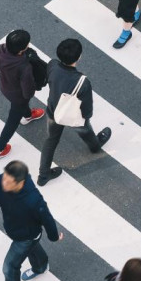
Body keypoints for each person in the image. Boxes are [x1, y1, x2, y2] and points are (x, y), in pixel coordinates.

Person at [38, 38, 111, 186]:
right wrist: (86, 117)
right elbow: (86, 106)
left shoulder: (52, 65)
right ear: (79, 57)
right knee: (86, 131)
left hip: (54, 111)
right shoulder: (82, 81)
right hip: (73, 116)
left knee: (51, 140)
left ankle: (43, 175)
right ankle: (95, 146)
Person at [0, 29, 45, 160]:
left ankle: (28, 115)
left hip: (5, 86)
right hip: (18, 96)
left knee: (20, 107)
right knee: (12, 121)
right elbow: (28, 90)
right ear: (21, 50)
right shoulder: (24, 66)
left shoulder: (1, 49)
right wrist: (28, 95)